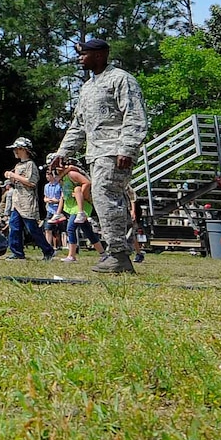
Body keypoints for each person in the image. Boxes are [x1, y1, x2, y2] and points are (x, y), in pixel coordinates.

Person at [62, 37, 149, 275]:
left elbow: (134, 115)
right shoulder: (88, 87)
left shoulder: (121, 79)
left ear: (100, 55)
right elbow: (79, 125)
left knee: (106, 197)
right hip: (96, 153)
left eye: (84, 54)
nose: (80, 58)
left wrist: (127, 148)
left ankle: (119, 254)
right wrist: (63, 152)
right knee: (102, 200)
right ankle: (115, 252)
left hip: (115, 151)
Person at [2, 138, 54, 260]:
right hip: (17, 201)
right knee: (14, 227)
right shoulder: (18, 165)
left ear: (23, 150)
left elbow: (31, 182)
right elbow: (18, 180)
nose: (15, 151)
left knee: (32, 229)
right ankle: (17, 252)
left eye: (17, 149)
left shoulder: (30, 165)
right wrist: (11, 177)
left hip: (27, 201)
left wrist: (14, 175)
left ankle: (48, 251)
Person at [56, 156, 94, 263]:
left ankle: (72, 256)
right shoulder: (64, 176)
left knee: (70, 228)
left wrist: (82, 194)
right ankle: (103, 253)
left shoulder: (72, 173)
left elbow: (87, 183)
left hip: (81, 206)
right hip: (73, 207)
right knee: (88, 231)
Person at [43, 169, 65, 254]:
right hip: (50, 209)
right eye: (46, 174)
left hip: (59, 210)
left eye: (49, 174)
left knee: (62, 230)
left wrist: (57, 200)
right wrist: (47, 200)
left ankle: (64, 245)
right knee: (47, 228)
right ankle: (48, 246)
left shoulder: (59, 185)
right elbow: (45, 197)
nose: (47, 176)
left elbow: (62, 198)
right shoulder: (46, 186)